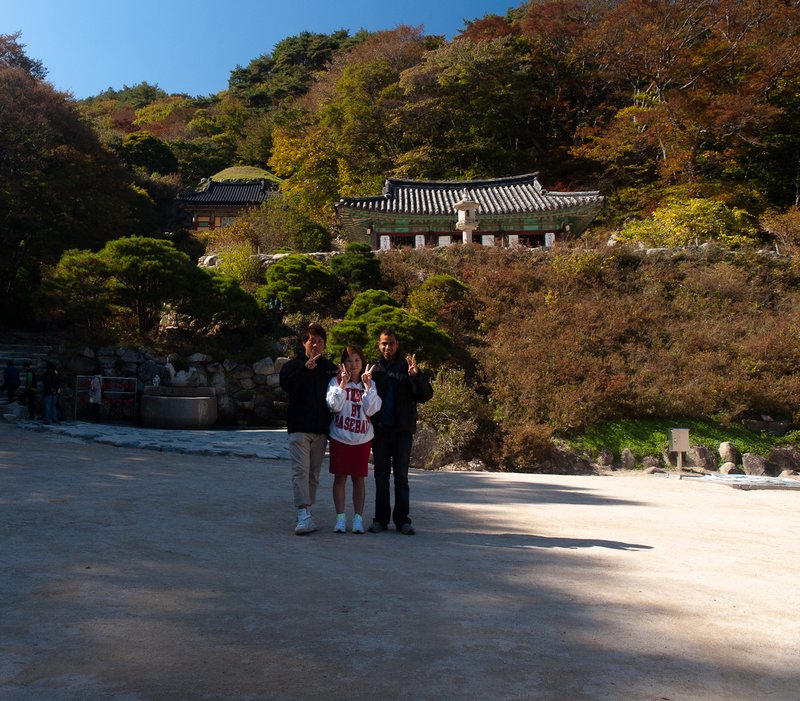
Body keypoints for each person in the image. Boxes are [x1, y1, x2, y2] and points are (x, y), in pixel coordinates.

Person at [369, 329, 433, 535]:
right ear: (378, 345)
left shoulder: (408, 368)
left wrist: (415, 377)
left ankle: (402, 520)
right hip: (379, 432)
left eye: (391, 344)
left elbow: (425, 395)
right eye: (383, 344)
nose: (387, 348)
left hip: (402, 432)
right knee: (380, 477)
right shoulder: (374, 369)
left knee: (401, 477)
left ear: (397, 344)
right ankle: (380, 519)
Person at [279, 323, 338, 535]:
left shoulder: (330, 368)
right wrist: (305, 370)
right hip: (299, 428)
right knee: (300, 471)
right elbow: (287, 386)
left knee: (313, 474)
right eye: (312, 340)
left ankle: (307, 511)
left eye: (320, 341)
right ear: (303, 342)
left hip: (321, 429)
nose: (316, 344)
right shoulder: (292, 366)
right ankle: (303, 513)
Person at [325, 345, 381, 534]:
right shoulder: (335, 381)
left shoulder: (370, 384)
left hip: (362, 439)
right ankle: (340, 518)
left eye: (357, 360)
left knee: (359, 479)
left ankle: (358, 519)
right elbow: (333, 405)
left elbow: (371, 409)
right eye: (349, 360)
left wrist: (367, 387)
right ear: (343, 363)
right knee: (340, 478)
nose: (353, 364)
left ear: (362, 362)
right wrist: (342, 385)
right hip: (340, 437)